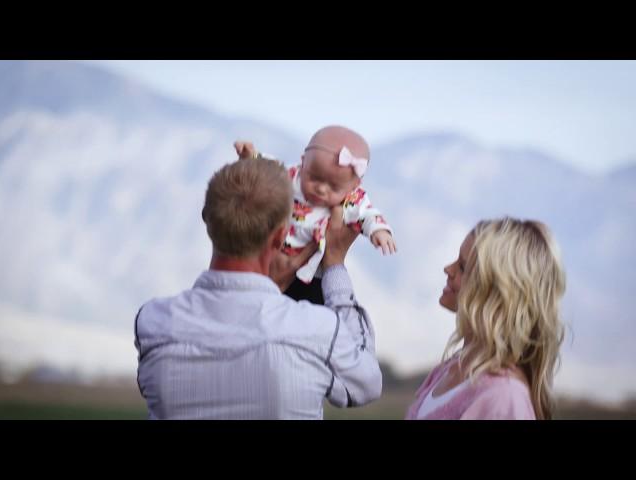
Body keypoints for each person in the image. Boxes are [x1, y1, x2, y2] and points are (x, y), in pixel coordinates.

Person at [134, 155, 382, 419]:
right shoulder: (314, 330)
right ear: (279, 236)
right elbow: (367, 384)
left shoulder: (154, 323)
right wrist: (334, 265)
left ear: (208, 220)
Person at [405, 217, 566, 420]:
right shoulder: (450, 370)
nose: (449, 269)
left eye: (463, 267)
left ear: (497, 293)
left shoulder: (504, 397)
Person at [235, 125, 396, 305]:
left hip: (314, 273)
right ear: (303, 163)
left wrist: (379, 231)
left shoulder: (351, 199)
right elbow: (270, 168)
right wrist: (252, 157)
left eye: (333, 187)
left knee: (311, 311)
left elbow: (367, 213)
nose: (321, 189)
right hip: (273, 260)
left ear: (354, 184)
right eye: (314, 178)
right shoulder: (291, 177)